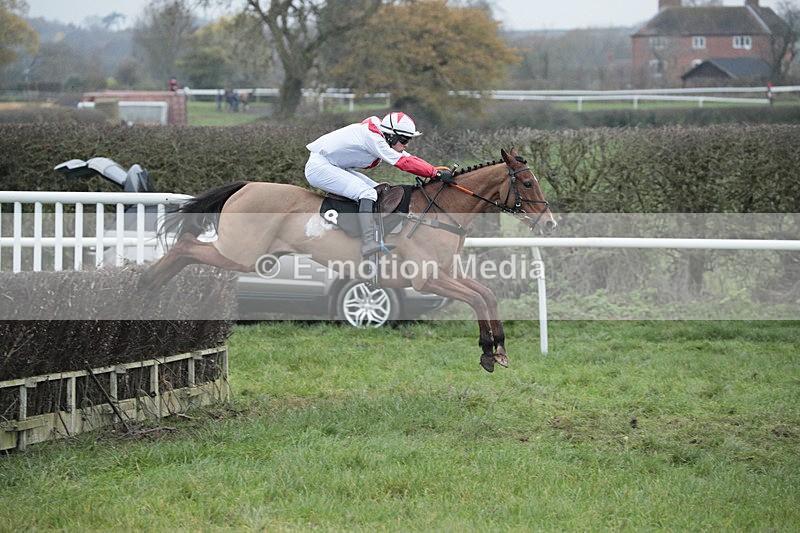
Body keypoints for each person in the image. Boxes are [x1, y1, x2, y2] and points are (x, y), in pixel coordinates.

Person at [305, 112, 454, 257]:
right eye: (404, 140)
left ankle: (376, 234)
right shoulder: (374, 138)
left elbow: (409, 158)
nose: (407, 144)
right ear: (391, 135)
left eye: (408, 140)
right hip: (320, 168)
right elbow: (403, 163)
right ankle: (368, 242)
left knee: (376, 191)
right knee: (367, 193)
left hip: (333, 165)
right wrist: (435, 174)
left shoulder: (382, 135)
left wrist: (435, 170)